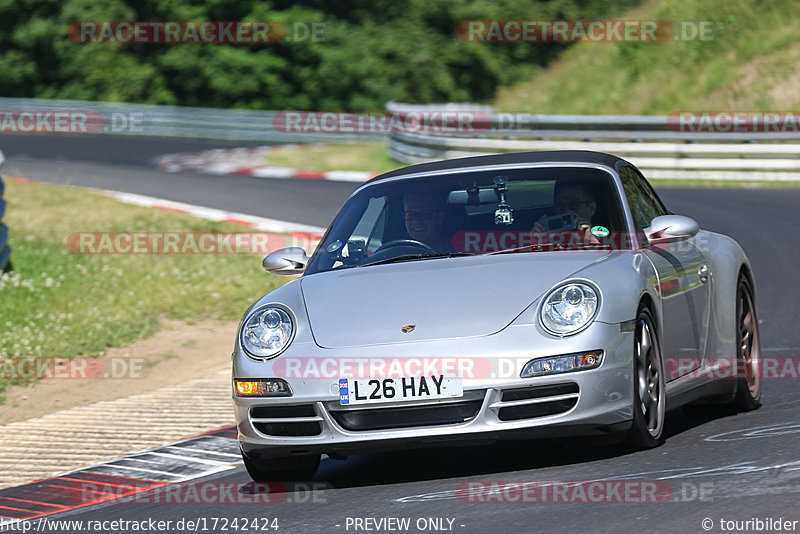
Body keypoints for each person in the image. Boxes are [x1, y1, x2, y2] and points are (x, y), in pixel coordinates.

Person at [532, 181, 600, 244]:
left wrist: (589, 238)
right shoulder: (549, 238)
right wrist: (538, 243)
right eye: (560, 206)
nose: (566, 211)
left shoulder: (604, 235)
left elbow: (603, 254)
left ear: (591, 209)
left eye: (574, 205)